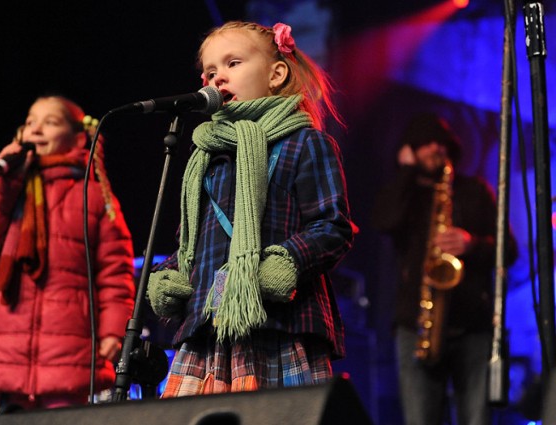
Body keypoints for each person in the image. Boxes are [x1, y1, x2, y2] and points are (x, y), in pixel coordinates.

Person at [146, 21, 355, 397]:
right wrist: (169, 273)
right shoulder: (206, 154)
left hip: (278, 327)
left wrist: (288, 260)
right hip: (208, 331)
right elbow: (193, 239)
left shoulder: (304, 142)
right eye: (210, 71)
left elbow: (333, 226)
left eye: (233, 63)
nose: (218, 77)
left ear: (276, 74)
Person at [0, 95, 136, 410]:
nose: (36, 130)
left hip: (68, 344)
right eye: (30, 122)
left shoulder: (93, 197)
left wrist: (112, 330)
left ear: (78, 137)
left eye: (50, 123)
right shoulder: (13, 187)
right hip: (5, 341)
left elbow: (115, 271)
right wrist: (3, 184)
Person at [371, 113, 518, 425]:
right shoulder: (403, 194)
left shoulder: (475, 191)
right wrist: (407, 172)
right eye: (425, 143)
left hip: (473, 327)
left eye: (440, 142)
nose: (435, 148)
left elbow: (511, 250)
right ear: (409, 149)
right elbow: (383, 222)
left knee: (477, 419)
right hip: (418, 325)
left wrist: (471, 244)